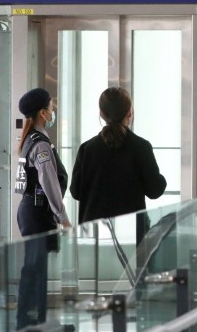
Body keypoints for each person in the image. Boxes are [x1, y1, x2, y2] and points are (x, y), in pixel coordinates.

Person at [70, 87, 167, 234]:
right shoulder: (141, 147)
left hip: (93, 233)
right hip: (131, 233)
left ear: (101, 114)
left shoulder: (87, 149)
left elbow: (76, 192)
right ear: (130, 112)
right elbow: (155, 190)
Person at [14, 87, 70, 331]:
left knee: (36, 269)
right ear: (43, 113)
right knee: (34, 269)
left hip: (29, 210)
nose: (53, 111)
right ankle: (29, 322)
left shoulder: (29, 139)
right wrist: (62, 216)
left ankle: (35, 320)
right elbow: (50, 183)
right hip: (37, 213)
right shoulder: (41, 145)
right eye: (51, 107)